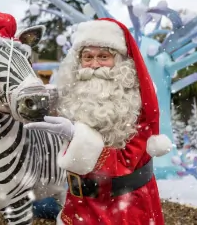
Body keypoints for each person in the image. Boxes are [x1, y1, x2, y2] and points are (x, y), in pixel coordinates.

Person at [24, 18, 172, 225]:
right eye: (87, 57)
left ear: (120, 62)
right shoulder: (75, 93)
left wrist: (77, 137)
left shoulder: (137, 103)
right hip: (79, 203)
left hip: (124, 206)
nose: (94, 65)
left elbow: (126, 163)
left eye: (103, 57)